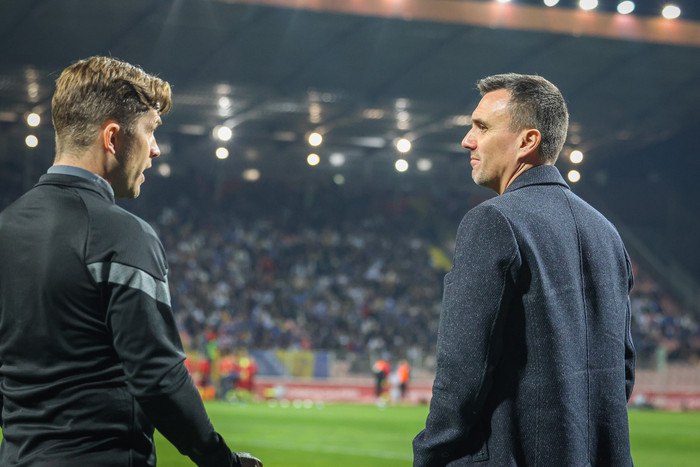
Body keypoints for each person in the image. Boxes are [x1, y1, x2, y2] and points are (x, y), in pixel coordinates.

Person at [0, 56, 262, 467]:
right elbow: (159, 378)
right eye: (150, 131)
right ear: (113, 138)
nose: (155, 149)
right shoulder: (122, 235)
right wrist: (221, 460)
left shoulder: (5, 226)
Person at [413, 73, 635, 466]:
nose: (467, 140)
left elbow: (463, 371)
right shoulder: (606, 232)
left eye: (482, 127)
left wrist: (430, 455)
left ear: (527, 141)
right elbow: (622, 370)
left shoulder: (492, 221)